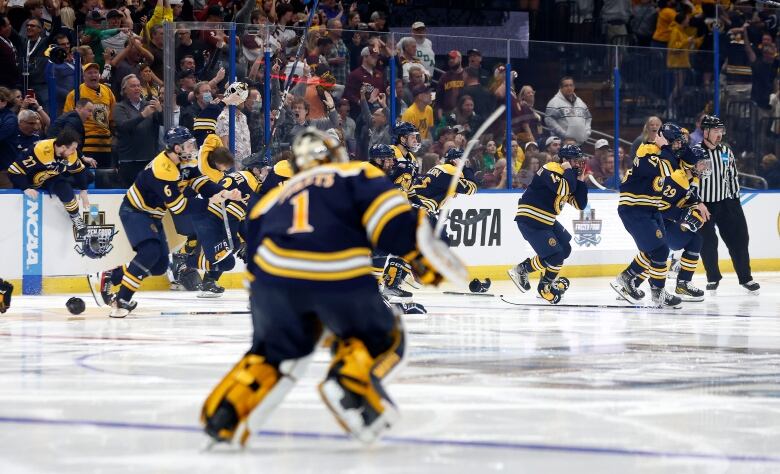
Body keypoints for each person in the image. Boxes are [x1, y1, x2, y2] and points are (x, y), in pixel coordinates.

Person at [201, 127, 462, 446]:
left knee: (272, 354)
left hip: (272, 281)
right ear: (334, 154)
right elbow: (393, 222)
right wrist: (422, 257)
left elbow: (252, 252)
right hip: (335, 273)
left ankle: (224, 414)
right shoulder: (354, 173)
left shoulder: (273, 197)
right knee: (382, 337)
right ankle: (350, 381)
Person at [90, 127, 240, 318]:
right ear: (176, 148)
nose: (192, 148)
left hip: (153, 215)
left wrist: (223, 193)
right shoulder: (163, 170)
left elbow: (199, 182)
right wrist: (209, 202)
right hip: (135, 211)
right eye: (187, 145)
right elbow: (179, 208)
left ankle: (112, 275)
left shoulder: (185, 160)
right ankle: (122, 299)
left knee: (159, 266)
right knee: (149, 252)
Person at [610, 123, 683, 308]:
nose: (676, 145)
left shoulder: (660, 152)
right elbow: (669, 169)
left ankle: (626, 277)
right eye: (673, 142)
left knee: (657, 249)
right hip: (635, 208)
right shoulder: (647, 151)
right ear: (663, 139)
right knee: (660, 250)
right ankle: (658, 293)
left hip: (650, 208)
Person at [508, 145, 588, 304]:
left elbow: (580, 204)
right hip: (532, 218)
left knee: (564, 249)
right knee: (555, 255)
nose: (578, 164)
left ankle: (533, 274)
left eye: (579, 160)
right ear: (565, 160)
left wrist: (580, 181)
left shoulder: (568, 176)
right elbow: (565, 189)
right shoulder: (549, 169)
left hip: (546, 220)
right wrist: (570, 173)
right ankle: (537, 282)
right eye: (575, 160)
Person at [632, 144, 710, 302]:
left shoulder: (692, 178)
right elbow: (659, 205)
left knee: (658, 251)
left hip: (660, 221)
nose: (705, 167)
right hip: (656, 220)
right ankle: (682, 284)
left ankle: (632, 282)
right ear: (692, 163)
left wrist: (695, 205)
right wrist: (682, 214)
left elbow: (687, 197)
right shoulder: (677, 178)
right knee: (690, 242)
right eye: (702, 163)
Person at [697, 115, 760, 295]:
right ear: (706, 131)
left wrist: (735, 201)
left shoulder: (726, 150)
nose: (719, 135)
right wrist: (696, 202)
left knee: (740, 239)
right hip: (704, 205)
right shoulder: (695, 152)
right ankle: (713, 278)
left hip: (727, 202)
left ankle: (746, 278)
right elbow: (690, 180)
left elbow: (732, 176)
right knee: (708, 242)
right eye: (716, 131)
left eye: (721, 131)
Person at [8, 128, 91, 237]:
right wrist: (25, 188)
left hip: (50, 177)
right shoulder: (38, 151)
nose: (74, 152)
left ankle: (75, 217)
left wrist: (84, 189)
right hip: (30, 180)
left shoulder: (70, 154)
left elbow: (79, 171)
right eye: (73, 149)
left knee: (66, 187)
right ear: (63, 147)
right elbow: (14, 170)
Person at [63, 62, 116, 168]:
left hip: (105, 145)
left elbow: (113, 118)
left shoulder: (107, 91)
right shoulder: (75, 93)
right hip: (86, 146)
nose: (93, 75)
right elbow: (67, 119)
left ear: (99, 75)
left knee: (105, 179)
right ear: (83, 76)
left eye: (96, 72)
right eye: (89, 73)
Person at [113, 74, 163, 185]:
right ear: (125, 90)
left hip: (148, 159)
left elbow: (163, 123)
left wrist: (160, 111)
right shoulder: (119, 107)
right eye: (133, 86)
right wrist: (143, 115)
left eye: (138, 85)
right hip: (129, 160)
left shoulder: (149, 104)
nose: (137, 88)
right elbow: (123, 126)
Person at [544, 77, 592, 145]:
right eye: (566, 86)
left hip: (580, 143)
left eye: (571, 85)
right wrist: (565, 135)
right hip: (562, 143)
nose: (569, 88)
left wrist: (587, 133)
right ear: (560, 88)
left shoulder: (580, 102)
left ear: (574, 87)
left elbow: (588, 118)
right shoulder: (554, 102)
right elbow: (549, 120)